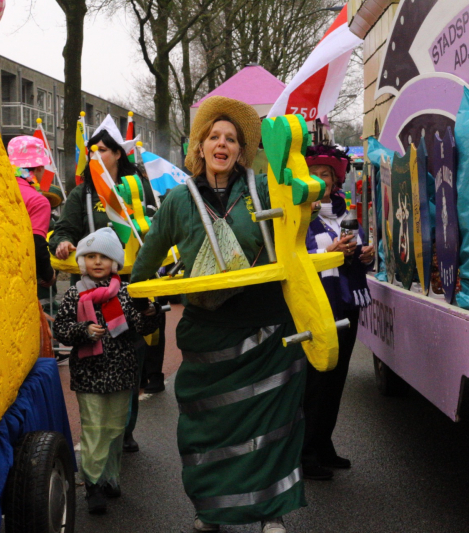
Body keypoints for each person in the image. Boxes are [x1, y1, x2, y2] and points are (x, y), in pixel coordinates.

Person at [130, 96, 304, 533]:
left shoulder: (263, 189)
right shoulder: (177, 200)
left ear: (241, 150)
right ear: (200, 146)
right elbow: (149, 256)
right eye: (213, 137)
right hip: (207, 334)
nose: (222, 144)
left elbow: (298, 223)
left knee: (271, 424)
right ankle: (210, 510)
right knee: (206, 427)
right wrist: (135, 288)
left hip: (266, 326)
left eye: (231, 139)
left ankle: (271, 513)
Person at [49, 115, 160, 453]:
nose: (95, 154)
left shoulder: (137, 188)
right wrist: (63, 243)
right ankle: (98, 433)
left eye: (103, 149)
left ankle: (125, 430)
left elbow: (156, 223)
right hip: (93, 292)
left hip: (129, 286)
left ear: (117, 154)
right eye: (92, 149)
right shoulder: (82, 193)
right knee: (95, 358)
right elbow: (64, 229)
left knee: (131, 355)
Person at [52, 227, 162, 514]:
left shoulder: (126, 294)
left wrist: (152, 314)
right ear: (82, 261)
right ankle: (93, 484)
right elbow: (61, 329)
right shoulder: (75, 295)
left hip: (122, 371)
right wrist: (83, 330)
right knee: (93, 429)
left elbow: (141, 328)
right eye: (91, 256)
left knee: (115, 430)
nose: (97, 262)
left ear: (115, 263)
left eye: (104, 256)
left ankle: (111, 478)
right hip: (88, 374)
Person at [302, 144, 374, 481]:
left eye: (326, 174)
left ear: (335, 180)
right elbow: (297, 258)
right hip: (318, 304)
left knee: (337, 379)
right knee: (316, 380)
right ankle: (306, 452)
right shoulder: (300, 213)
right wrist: (329, 251)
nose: (320, 179)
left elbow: (359, 253)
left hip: (346, 302)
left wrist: (365, 254)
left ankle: (324, 443)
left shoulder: (345, 211)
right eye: (313, 174)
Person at [7, 136, 55, 290]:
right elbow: (37, 245)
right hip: (19, 278)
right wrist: (49, 275)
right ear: (40, 167)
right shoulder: (37, 201)